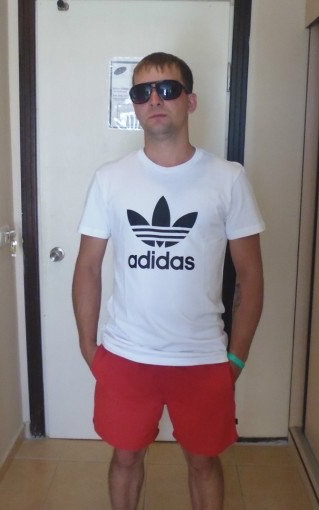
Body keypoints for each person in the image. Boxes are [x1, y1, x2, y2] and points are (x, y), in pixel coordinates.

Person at [72, 52, 264, 510]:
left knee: (203, 462)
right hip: (126, 354)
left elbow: (251, 275)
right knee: (125, 458)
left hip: (202, 356)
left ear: (190, 101)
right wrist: (89, 348)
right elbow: (87, 268)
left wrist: (236, 357)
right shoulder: (110, 179)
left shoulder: (228, 179)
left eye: (168, 89)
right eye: (143, 92)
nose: (155, 99)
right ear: (135, 105)